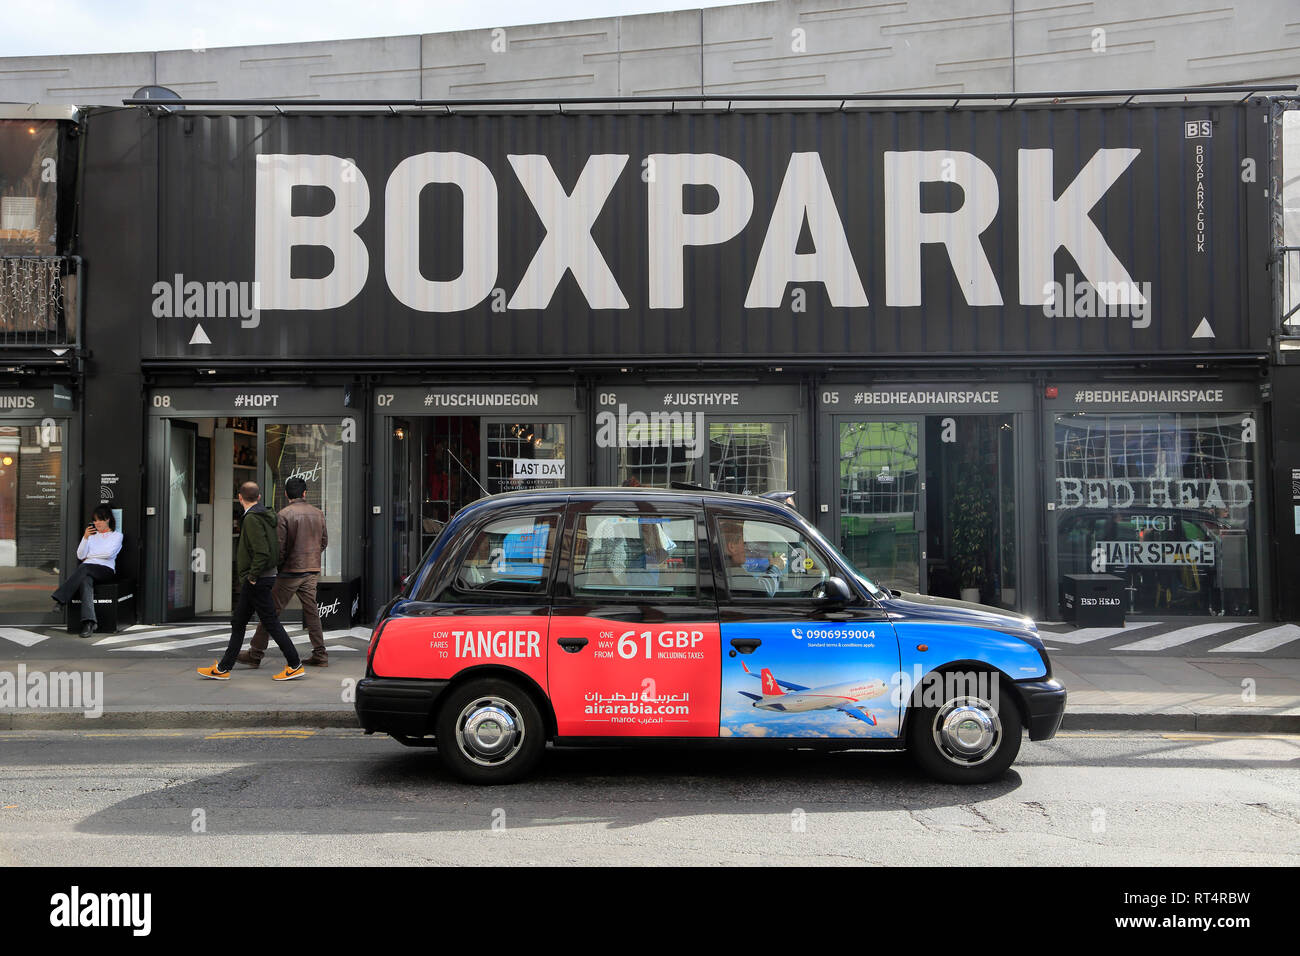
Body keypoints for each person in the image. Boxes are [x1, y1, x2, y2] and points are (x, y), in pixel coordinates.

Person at [198, 481, 303, 681]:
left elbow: (262, 552)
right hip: (261, 577)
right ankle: (223, 668)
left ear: (239, 497)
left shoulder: (253, 519)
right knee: (239, 621)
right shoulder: (264, 516)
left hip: (258, 579)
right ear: (259, 497)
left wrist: (253, 575)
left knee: (270, 622)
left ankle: (295, 663)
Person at [237, 476, 330, 668]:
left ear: (286, 494)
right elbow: (324, 542)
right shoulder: (318, 513)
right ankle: (320, 654)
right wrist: (312, 556)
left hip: (290, 571)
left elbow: (280, 547)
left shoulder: (284, 514)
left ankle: (255, 653)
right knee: (312, 612)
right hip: (311, 569)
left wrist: (278, 566)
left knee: (270, 612)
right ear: (305, 493)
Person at [52, 505, 123, 638]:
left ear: (107, 519)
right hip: (88, 570)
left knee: (84, 567)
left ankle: (61, 600)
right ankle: (89, 623)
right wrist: (85, 537)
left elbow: (108, 554)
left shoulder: (116, 536)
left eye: (100, 520)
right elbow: (80, 555)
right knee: (85, 581)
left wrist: (91, 556)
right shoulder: (91, 536)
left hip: (106, 570)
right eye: (95, 521)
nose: (97, 523)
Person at [719, 518, 785, 597]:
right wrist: (775, 567)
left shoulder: (724, 570)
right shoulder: (733, 573)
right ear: (732, 547)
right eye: (744, 543)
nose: (747, 548)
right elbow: (763, 591)